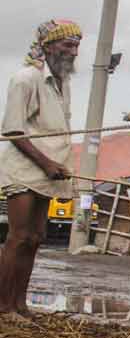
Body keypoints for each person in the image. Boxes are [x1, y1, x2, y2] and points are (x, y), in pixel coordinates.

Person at [0, 19, 81, 322]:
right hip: (25, 170)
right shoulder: (25, 79)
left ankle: (20, 306)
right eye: (67, 45)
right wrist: (47, 164)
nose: (73, 52)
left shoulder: (62, 83)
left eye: (76, 46)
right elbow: (12, 130)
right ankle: (4, 308)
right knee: (18, 237)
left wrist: (56, 166)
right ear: (48, 46)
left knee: (35, 238)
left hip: (49, 172)